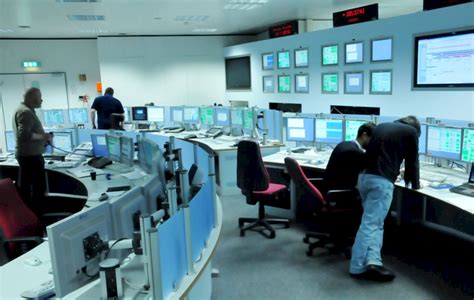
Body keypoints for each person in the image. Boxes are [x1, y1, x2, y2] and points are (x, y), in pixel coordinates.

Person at [350, 116, 421, 282]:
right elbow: (413, 162)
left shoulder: (382, 126)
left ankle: (373, 262)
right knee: (370, 224)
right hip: (380, 183)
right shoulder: (411, 132)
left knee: (375, 223)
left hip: (364, 178)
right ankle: (357, 267)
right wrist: (415, 185)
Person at [13, 87, 53, 215]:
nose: (41, 100)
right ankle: (38, 220)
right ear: (32, 98)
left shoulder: (23, 109)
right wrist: (44, 137)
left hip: (28, 156)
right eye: (39, 97)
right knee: (37, 192)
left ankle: (33, 217)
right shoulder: (25, 112)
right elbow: (24, 134)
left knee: (31, 190)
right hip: (31, 158)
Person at [324, 122, 376, 191]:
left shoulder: (343, 144)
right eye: (372, 139)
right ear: (364, 135)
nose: (373, 142)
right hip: (341, 193)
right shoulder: (355, 152)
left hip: (331, 188)